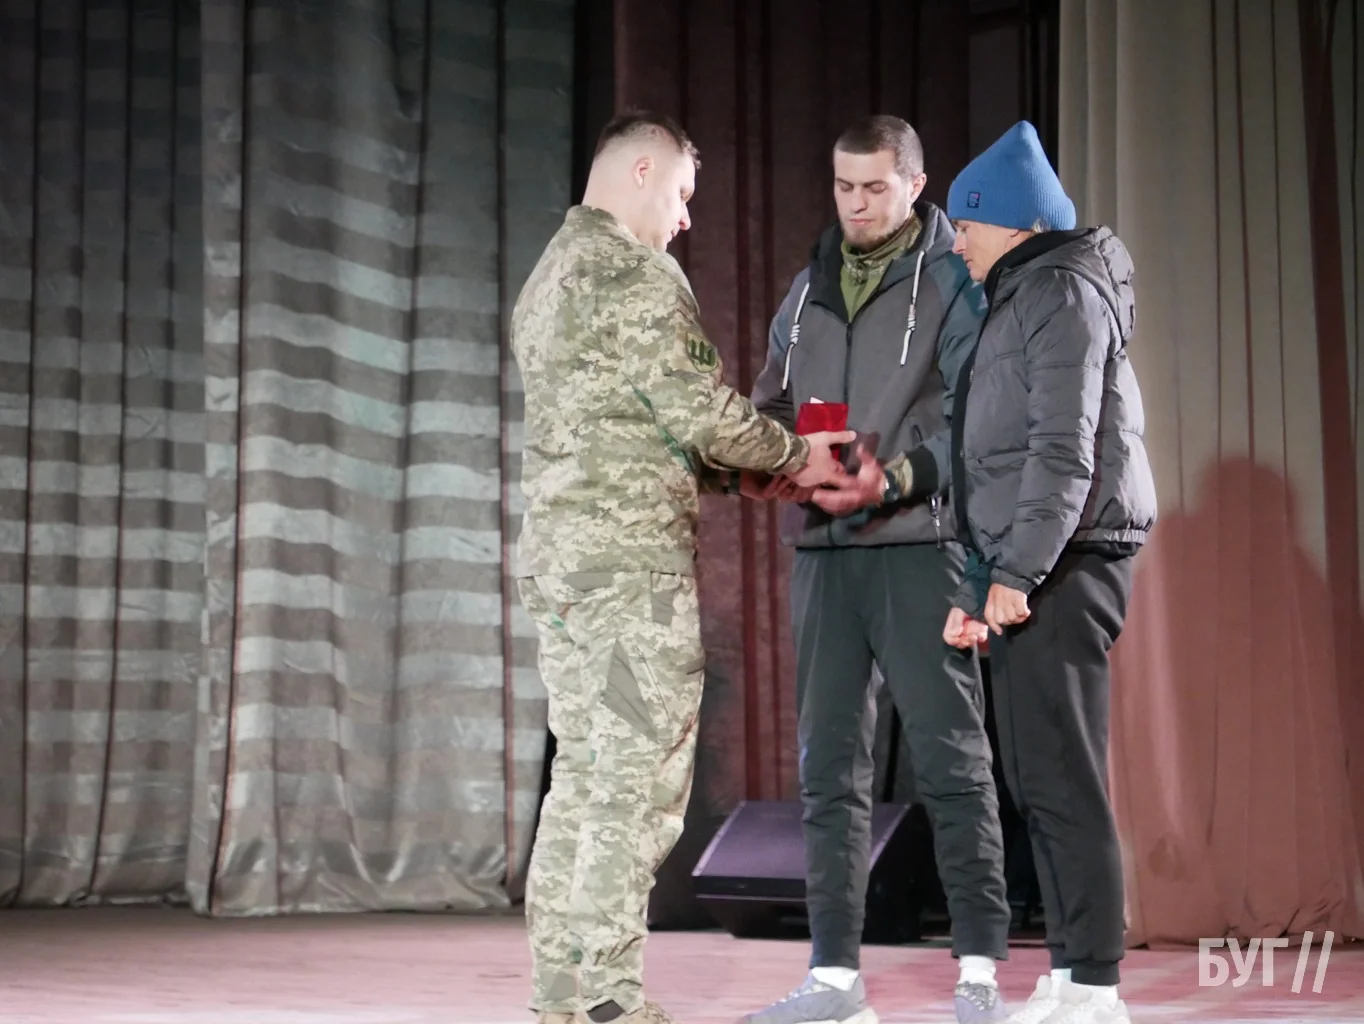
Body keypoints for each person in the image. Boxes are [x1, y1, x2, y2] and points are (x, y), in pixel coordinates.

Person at [511, 111, 854, 1024]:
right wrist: (800, 458)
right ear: (642, 171)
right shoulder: (635, 271)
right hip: (629, 574)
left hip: (562, 567)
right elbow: (699, 412)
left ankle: (562, 996)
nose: (687, 217)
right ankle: (610, 1002)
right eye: (683, 194)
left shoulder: (548, 277)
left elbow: (634, 426)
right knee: (634, 785)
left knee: (584, 779)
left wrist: (746, 475)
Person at [834, 120, 1156, 1024]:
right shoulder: (1018, 295)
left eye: (967, 227)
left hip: (1070, 558)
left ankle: (1096, 984)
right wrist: (984, 586)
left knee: (1063, 775)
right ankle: (1069, 970)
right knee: (1035, 778)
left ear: (1009, 221)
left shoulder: (1061, 290)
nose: (959, 243)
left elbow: (1061, 451)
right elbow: (993, 463)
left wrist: (1015, 572)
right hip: (1033, 562)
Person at [743, 115, 1013, 1024]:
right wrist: (777, 464)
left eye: (874, 188)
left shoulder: (951, 280)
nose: (855, 205)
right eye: (843, 187)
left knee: (952, 762)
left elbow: (979, 419)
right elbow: (770, 405)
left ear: (914, 184)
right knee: (827, 770)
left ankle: (979, 973)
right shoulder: (807, 287)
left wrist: (890, 480)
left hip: (920, 548)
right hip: (823, 555)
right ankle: (834, 979)